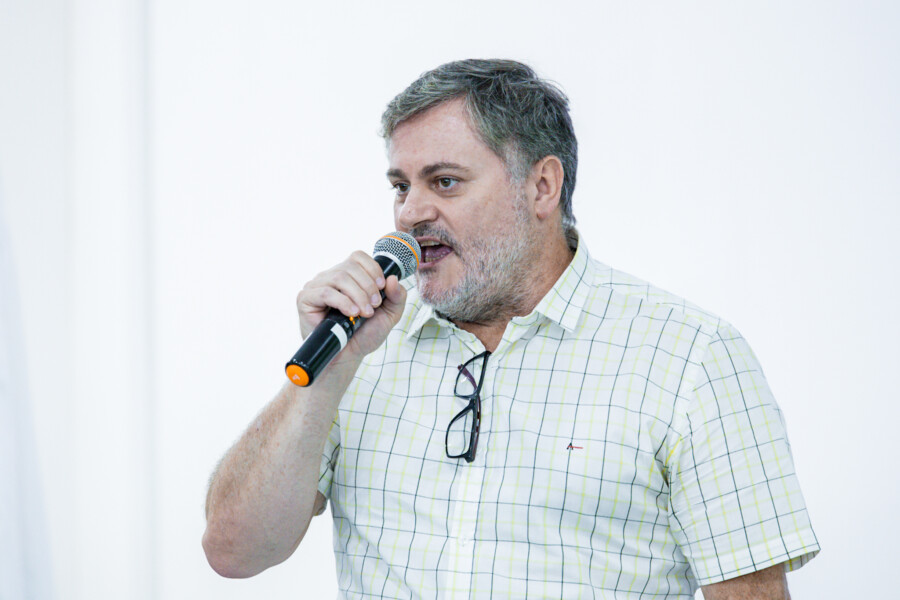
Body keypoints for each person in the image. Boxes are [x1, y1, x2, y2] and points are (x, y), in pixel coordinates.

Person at [202, 59, 819, 599]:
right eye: (400, 186)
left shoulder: (690, 358)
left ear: (541, 186)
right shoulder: (363, 348)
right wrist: (326, 377)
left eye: (444, 181)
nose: (409, 212)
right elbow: (233, 551)